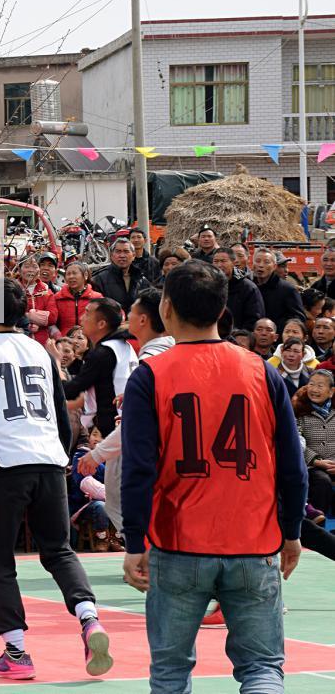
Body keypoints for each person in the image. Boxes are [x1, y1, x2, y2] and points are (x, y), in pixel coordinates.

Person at [120, 261, 307, 693]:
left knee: (170, 672)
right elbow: (291, 464)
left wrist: (133, 542)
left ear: (166, 308)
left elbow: (138, 471)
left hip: (179, 541)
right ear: (224, 309)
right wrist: (292, 531)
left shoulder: (151, 375)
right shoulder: (262, 371)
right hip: (253, 539)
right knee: (262, 669)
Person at [0, 278, 111, 681]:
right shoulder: (40, 350)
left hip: (5, 466)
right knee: (59, 551)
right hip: (47, 461)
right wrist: (60, 457)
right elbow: (62, 416)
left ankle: (16, 652)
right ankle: (89, 617)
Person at [76, 288, 171, 535]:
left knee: (122, 500)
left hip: (144, 441)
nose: (126, 319)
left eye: (131, 313)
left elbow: (137, 420)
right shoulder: (157, 350)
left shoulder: (150, 355)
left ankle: (145, 553)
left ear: (142, 320)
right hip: (153, 439)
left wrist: (97, 455)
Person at [63, 298, 136, 437]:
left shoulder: (103, 353)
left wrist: (55, 366)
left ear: (101, 324)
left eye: (87, 313)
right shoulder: (123, 345)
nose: (81, 318)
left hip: (117, 427)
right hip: (127, 421)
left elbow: (72, 390)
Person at [294, 368, 335, 518]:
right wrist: (317, 461)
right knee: (322, 482)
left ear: (331, 392)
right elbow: (296, 443)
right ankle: (316, 528)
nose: (314, 389)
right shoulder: (299, 411)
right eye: (311, 384)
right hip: (312, 466)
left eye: (320, 385)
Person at [212, 247, 265, 331]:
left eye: (223, 261)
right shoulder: (208, 286)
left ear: (233, 263)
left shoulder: (248, 288)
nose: (219, 265)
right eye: (216, 261)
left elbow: (254, 319)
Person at [253, 248, 305, 331]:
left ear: (274, 266)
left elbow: (298, 319)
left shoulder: (288, 290)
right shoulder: (249, 287)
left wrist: (275, 328)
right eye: (258, 261)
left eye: (266, 262)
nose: (261, 265)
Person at [91, 238, 148, 313]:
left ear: (133, 255)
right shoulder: (99, 279)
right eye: (118, 252)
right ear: (111, 255)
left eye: (126, 251)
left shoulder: (141, 278)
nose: (122, 255)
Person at [51, 262, 100, 338]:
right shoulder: (57, 298)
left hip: (89, 341)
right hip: (65, 342)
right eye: (68, 274)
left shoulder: (96, 297)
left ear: (85, 275)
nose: (71, 277)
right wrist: (58, 336)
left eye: (74, 273)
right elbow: (52, 322)